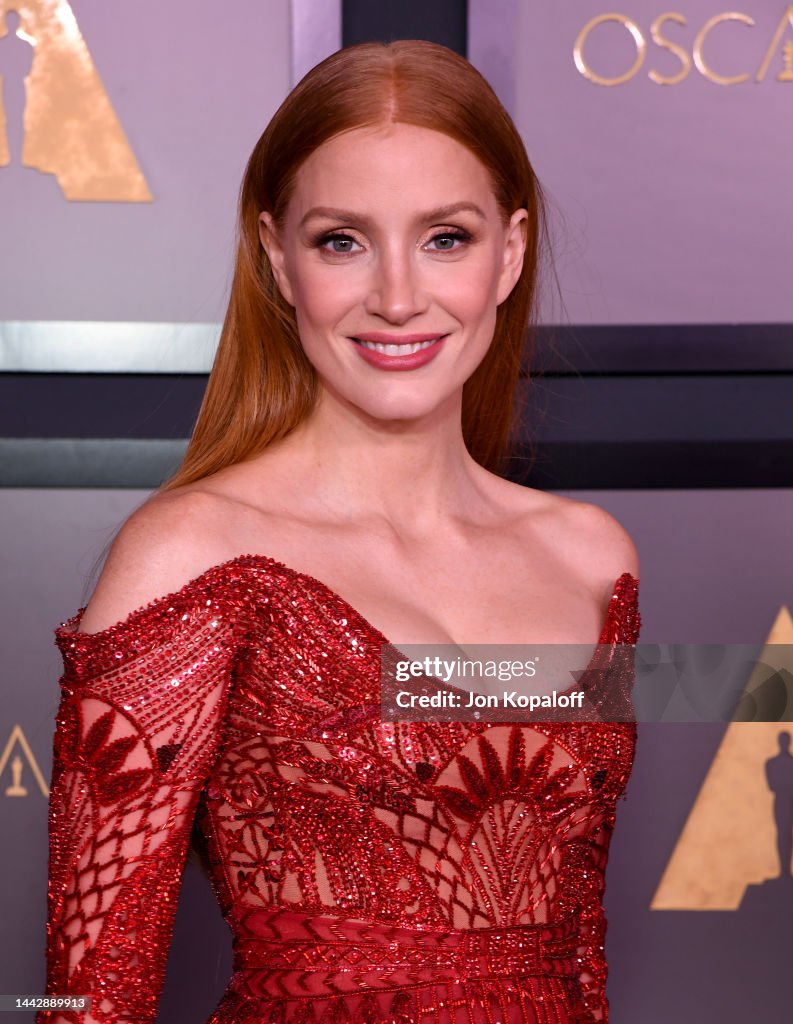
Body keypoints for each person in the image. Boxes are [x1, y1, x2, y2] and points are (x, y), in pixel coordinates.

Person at [35, 39, 641, 1024]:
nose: (397, 295)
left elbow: (575, 954)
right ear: (278, 257)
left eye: (445, 236)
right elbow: (84, 999)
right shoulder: (194, 555)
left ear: (511, 250)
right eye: (341, 240)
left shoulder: (590, 558)